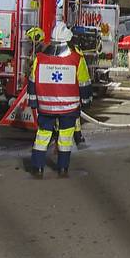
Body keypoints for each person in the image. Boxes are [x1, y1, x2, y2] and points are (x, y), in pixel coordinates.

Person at [27, 22, 92, 178]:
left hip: (46, 107)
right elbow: (84, 82)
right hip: (69, 109)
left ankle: (38, 168)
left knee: (42, 136)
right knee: (65, 137)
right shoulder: (77, 59)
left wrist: (33, 103)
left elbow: (32, 82)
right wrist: (87, 101)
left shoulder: (40, 59)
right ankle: (63, 168)